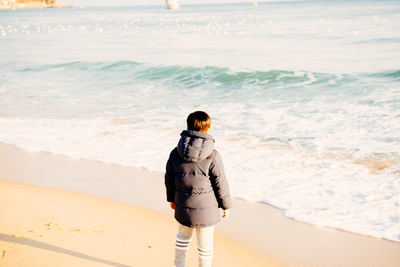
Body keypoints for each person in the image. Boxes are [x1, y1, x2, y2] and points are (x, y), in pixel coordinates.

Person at [165, 111, 232, 267]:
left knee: (182, 240)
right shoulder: (213, 155)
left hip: (183, 204)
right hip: (206, 209)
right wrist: (226, 206)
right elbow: (220, 182)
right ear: (207, 129)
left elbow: (169, 179)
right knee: (205, 248)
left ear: (188, 126)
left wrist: (171, 199)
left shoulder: (175, 152)